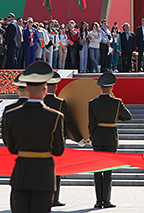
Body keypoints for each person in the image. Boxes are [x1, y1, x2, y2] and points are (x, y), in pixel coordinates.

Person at [2, 61, 65, 213]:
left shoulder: (11, 115)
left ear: (27, 90)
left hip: (21, 174)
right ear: (45, 90)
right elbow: (58, 151)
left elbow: (11, 148)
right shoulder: (55, 117)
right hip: (44, 175)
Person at [44, 72, 89, 207]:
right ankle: (55, 198)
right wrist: (79, 139)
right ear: (56, 87)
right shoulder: (60, 103)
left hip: (41, 140)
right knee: (56, 170)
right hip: (57, 140)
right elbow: (68, 122)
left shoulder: (42, 101)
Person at [88, 71, 132, 208]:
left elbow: (91, 124)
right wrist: (114, 116)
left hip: (97, 136)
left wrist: (92, 136)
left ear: (100, 87)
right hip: (111, 137)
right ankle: (106, 200)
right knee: (108, 170)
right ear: (112, 87)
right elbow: (128, 116)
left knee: (97, 170)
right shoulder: (116, 102)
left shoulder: (93, 103)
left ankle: (98, 201)